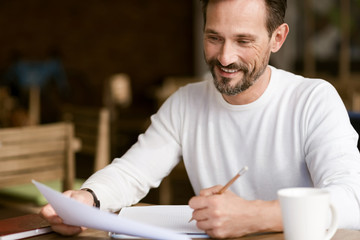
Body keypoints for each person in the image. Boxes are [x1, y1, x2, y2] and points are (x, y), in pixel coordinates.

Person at [40, 0, 360, 238]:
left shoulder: (314, 100)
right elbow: (132, 172)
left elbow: (352, 201)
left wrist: (254, 215)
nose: (225, 57)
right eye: (214, 37)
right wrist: (87, 200)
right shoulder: (185, 103)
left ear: (277, 38)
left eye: (243, 41)